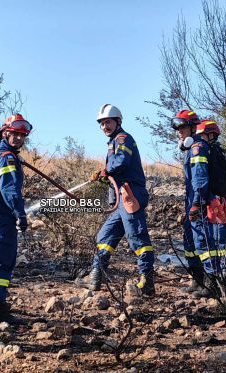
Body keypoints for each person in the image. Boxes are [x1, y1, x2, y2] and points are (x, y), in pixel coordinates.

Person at [76, 104, 155, 295]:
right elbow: (116, 168)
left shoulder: (123, 139)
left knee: (137, 238)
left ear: (117, 122)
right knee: (105, 236)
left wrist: (105, 171)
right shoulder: (113, 142)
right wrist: (104, 175)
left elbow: (120, 162)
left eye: (108, 122)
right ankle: (95, 276)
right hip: (120, 201)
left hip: (129, 196)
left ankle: (147, 282)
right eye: (102, 124)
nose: (105, 126)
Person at [0, 114, 31, 325]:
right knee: (3, 260)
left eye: (22, 135)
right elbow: (9, 189)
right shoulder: (7, 157)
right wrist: (20, 214)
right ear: (5, 133)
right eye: (15, 134)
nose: (19, 138)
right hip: (3, 217)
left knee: (1, 259)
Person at [170, 110, 216, 298]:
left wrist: (197, 203)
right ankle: (196, 281)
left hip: (200, 202)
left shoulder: (197, 148)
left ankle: (211, 284)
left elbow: (200, 179)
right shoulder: (191, 149)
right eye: (177, 128)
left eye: (182, 127)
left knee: (202, 241)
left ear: (192, 127)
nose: (179, 132)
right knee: (190, 241)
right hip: (191, 202)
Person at [195, 120, 226, 283]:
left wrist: (199, 201)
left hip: (214, 201)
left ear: (210, 135)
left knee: (217, 238)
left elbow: (202, 178)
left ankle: (221, 275)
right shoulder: (220, 153)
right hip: (222, 200)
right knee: (221, 238)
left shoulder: (208, 152)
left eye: (201, 135)